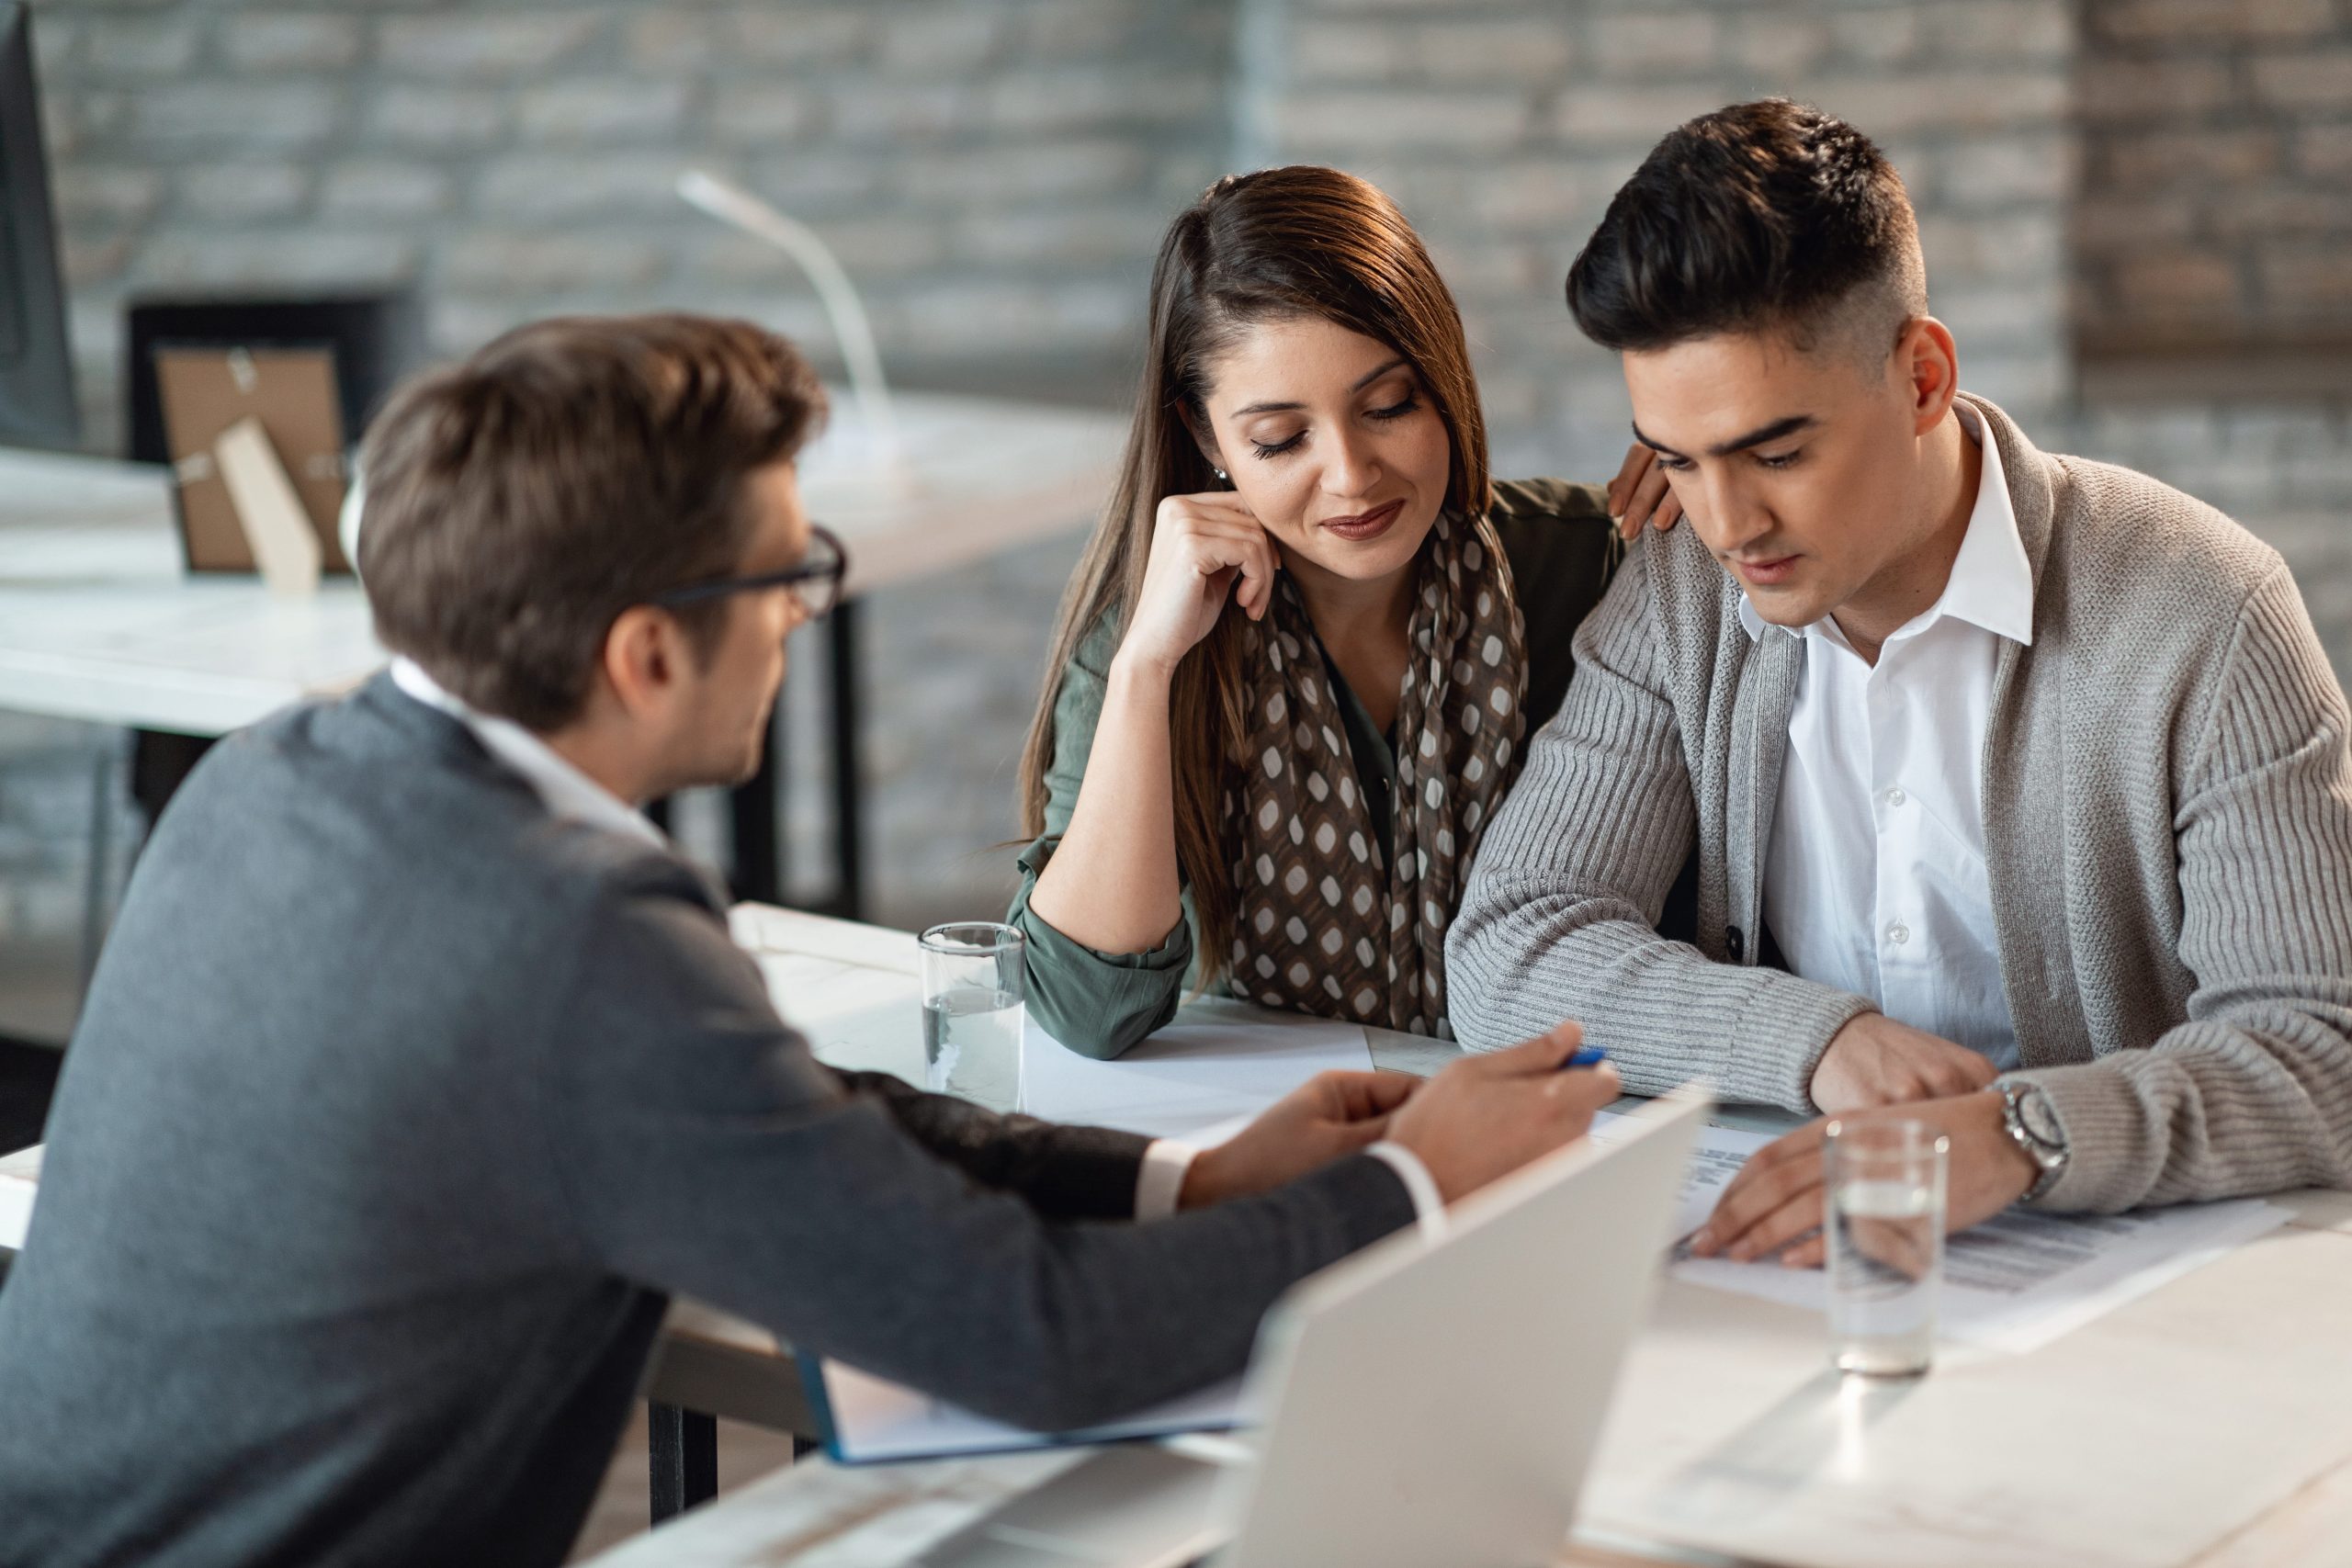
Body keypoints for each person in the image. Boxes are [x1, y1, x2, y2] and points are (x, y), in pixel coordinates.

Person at [0, 315, 1625, 1568]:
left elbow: (780, 1112)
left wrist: (1183, 1181)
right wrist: (1411, 1188)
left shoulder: (280, 778)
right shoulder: (570, 946)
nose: (802, 612)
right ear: (645, 653)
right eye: (791, 572)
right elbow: (1037, 1341)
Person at [1449, 100, 2352, 1260]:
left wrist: (2019, 1137)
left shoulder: (2206, 614)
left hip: (2129, 1283)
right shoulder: (1680, 593)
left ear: (1922, 377)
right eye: (1678, 459)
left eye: (1776, 452)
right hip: (1806, 1258)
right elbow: (1510, 944)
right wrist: (1814, 1042)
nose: (1724, 522)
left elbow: (2321, 1046)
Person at [1012, 164, 1677, 1059]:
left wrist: (1716, 478)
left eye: (1389, 405)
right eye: (1280, 439)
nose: (1352, 475)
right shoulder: (1152, 636)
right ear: (1206, 438)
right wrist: (1143, 672)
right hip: (1288, 1128)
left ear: (1444, 379)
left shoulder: (1583, 564)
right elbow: (1089, 1010)